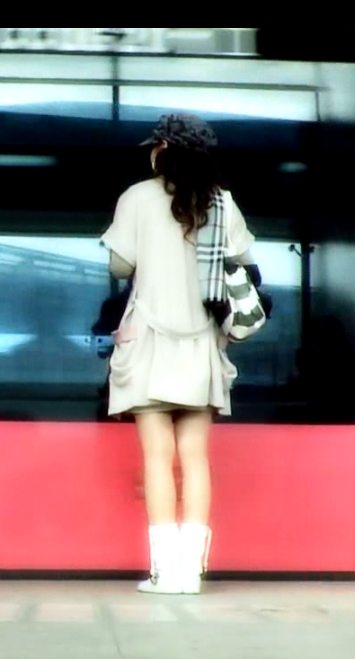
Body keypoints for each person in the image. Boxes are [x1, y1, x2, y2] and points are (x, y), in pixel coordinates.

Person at [100, 113, 258, 595]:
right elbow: (245, 262)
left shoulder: (137, 197)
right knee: (195, 459)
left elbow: (120, 265)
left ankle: (163, 573)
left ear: (162, 149)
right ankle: (191, 574)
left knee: (157, 459)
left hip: (149, 343)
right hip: (201, 346)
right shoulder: (222, 202)